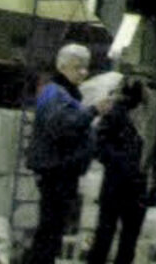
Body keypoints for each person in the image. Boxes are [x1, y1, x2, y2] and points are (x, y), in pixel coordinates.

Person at [25, 44, 94, 264]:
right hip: (55, 171)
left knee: (54, 229)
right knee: (50, 228)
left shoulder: (68, 94)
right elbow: (60, 126)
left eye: (86, 67)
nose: (83, 72)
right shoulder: (53, 92)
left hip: (64, 171)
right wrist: (92, 112)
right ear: (62, 66)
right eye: (77, 67)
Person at [85, 82, 149, 264]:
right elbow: (99, 143)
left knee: (129, 240)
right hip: (117, 183)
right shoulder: (117, 112)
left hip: (137, 185)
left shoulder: (153, 115)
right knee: (105, 235)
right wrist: (121, 162)